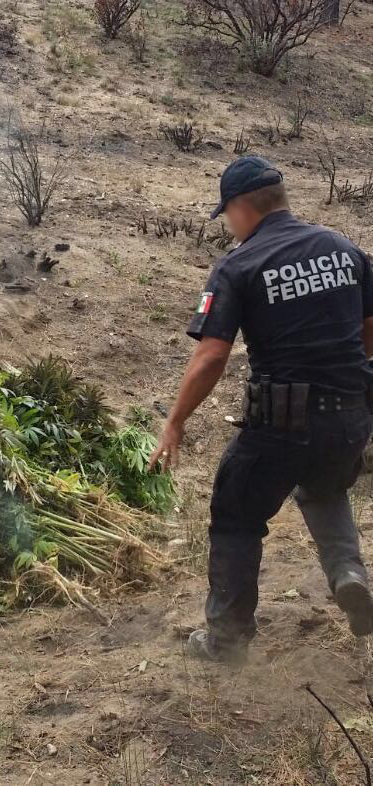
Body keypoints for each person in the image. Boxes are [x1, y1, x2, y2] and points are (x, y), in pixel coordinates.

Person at [149, 155, 373, 662]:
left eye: (226, 214)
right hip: (351, 414)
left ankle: (226, 643)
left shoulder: (239, 265)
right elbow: (369, 329)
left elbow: (211, 356)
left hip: (281, 422)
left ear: (242, 208)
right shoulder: (343, 248)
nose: (228, 224)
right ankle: (347, 574)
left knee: (236, 515)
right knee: (325, 487)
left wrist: (175, 421)